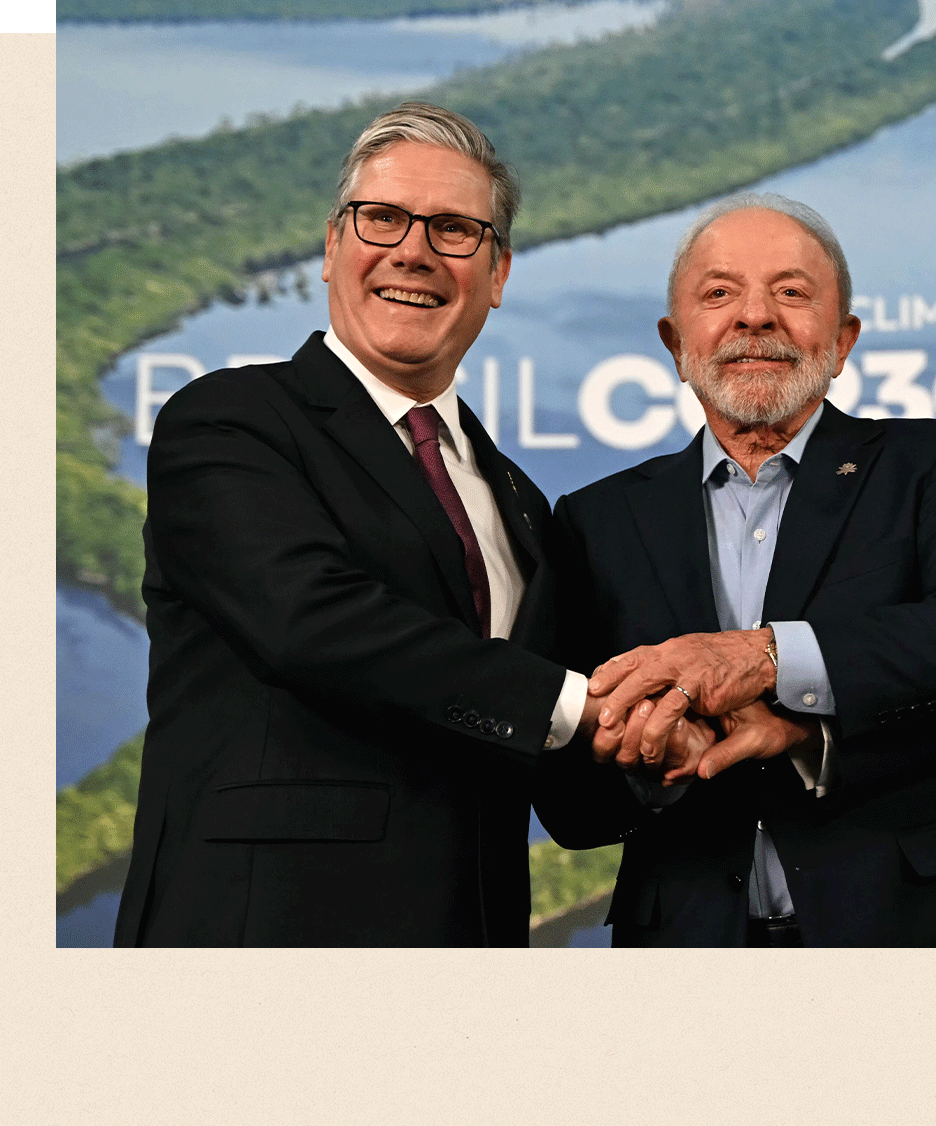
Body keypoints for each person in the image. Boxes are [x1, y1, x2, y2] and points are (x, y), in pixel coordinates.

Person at [114, 101, 613, 946]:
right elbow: (308, 622)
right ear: (332, 247)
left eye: (455, 229)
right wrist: (575, 701)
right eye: (381, 218)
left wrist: (673, 736)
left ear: (497, 276)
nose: (412, 251)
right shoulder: (231, 421)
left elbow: (558, 777)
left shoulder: (521, 502)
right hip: (263, 940)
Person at [545, 192, 936, 947]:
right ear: (675, 343)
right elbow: (569, 807)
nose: (755, 316)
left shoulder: (931, 464)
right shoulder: (596, 521)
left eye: (791, 292)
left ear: (842, 340)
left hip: (922, 936)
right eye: (719, 294)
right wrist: (647, 762)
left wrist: (768, 660)